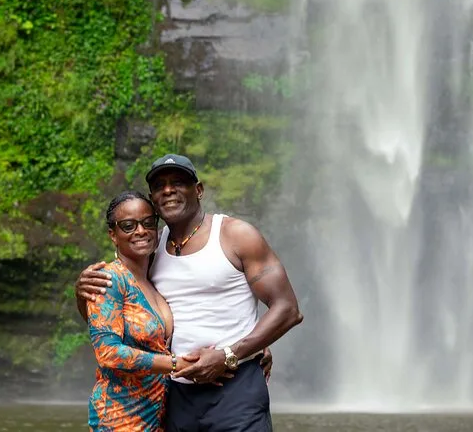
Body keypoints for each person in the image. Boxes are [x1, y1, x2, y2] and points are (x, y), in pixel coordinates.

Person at [76, 153, 303, 431]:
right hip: (175, 397)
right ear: (153, 199)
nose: (168, 190)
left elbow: (288, 310)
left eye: (178, 182)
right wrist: (81, 293)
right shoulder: (151, 248)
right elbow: (115, 320)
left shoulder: (235, 235)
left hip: (234, 387)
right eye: (159, 186)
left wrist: (234, 352)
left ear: (199, 190)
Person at [86, 190, 197, 431]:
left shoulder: (154, 278)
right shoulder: (109, 279)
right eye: (128, 226)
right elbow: (108, 352)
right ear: (113, 234)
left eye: (148, 223)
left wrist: (248, 345)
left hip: (158, 413)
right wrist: (176, 364)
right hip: (120, 416)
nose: (140, 231)